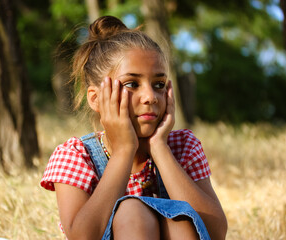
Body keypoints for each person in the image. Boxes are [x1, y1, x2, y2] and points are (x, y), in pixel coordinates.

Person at [41, 16, 227, 240]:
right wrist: (123, 151)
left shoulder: (183, 147)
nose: (150, 97)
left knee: (179, 221)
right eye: (132, 84)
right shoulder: (76, 156)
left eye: (159, 85)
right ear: (96, 98)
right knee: (132, 211)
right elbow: (82, 237)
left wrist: (159, 148)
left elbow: (215, 233)